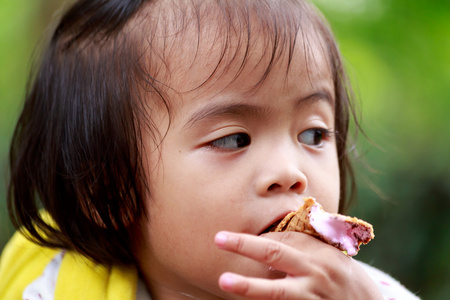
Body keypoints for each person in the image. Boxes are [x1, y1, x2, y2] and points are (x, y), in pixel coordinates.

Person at [0, 0, 420, 299]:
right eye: (234, 139)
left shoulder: (364, 295)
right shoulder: (52, 290)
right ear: (108, 190)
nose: (291, 172)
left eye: (313, 134)